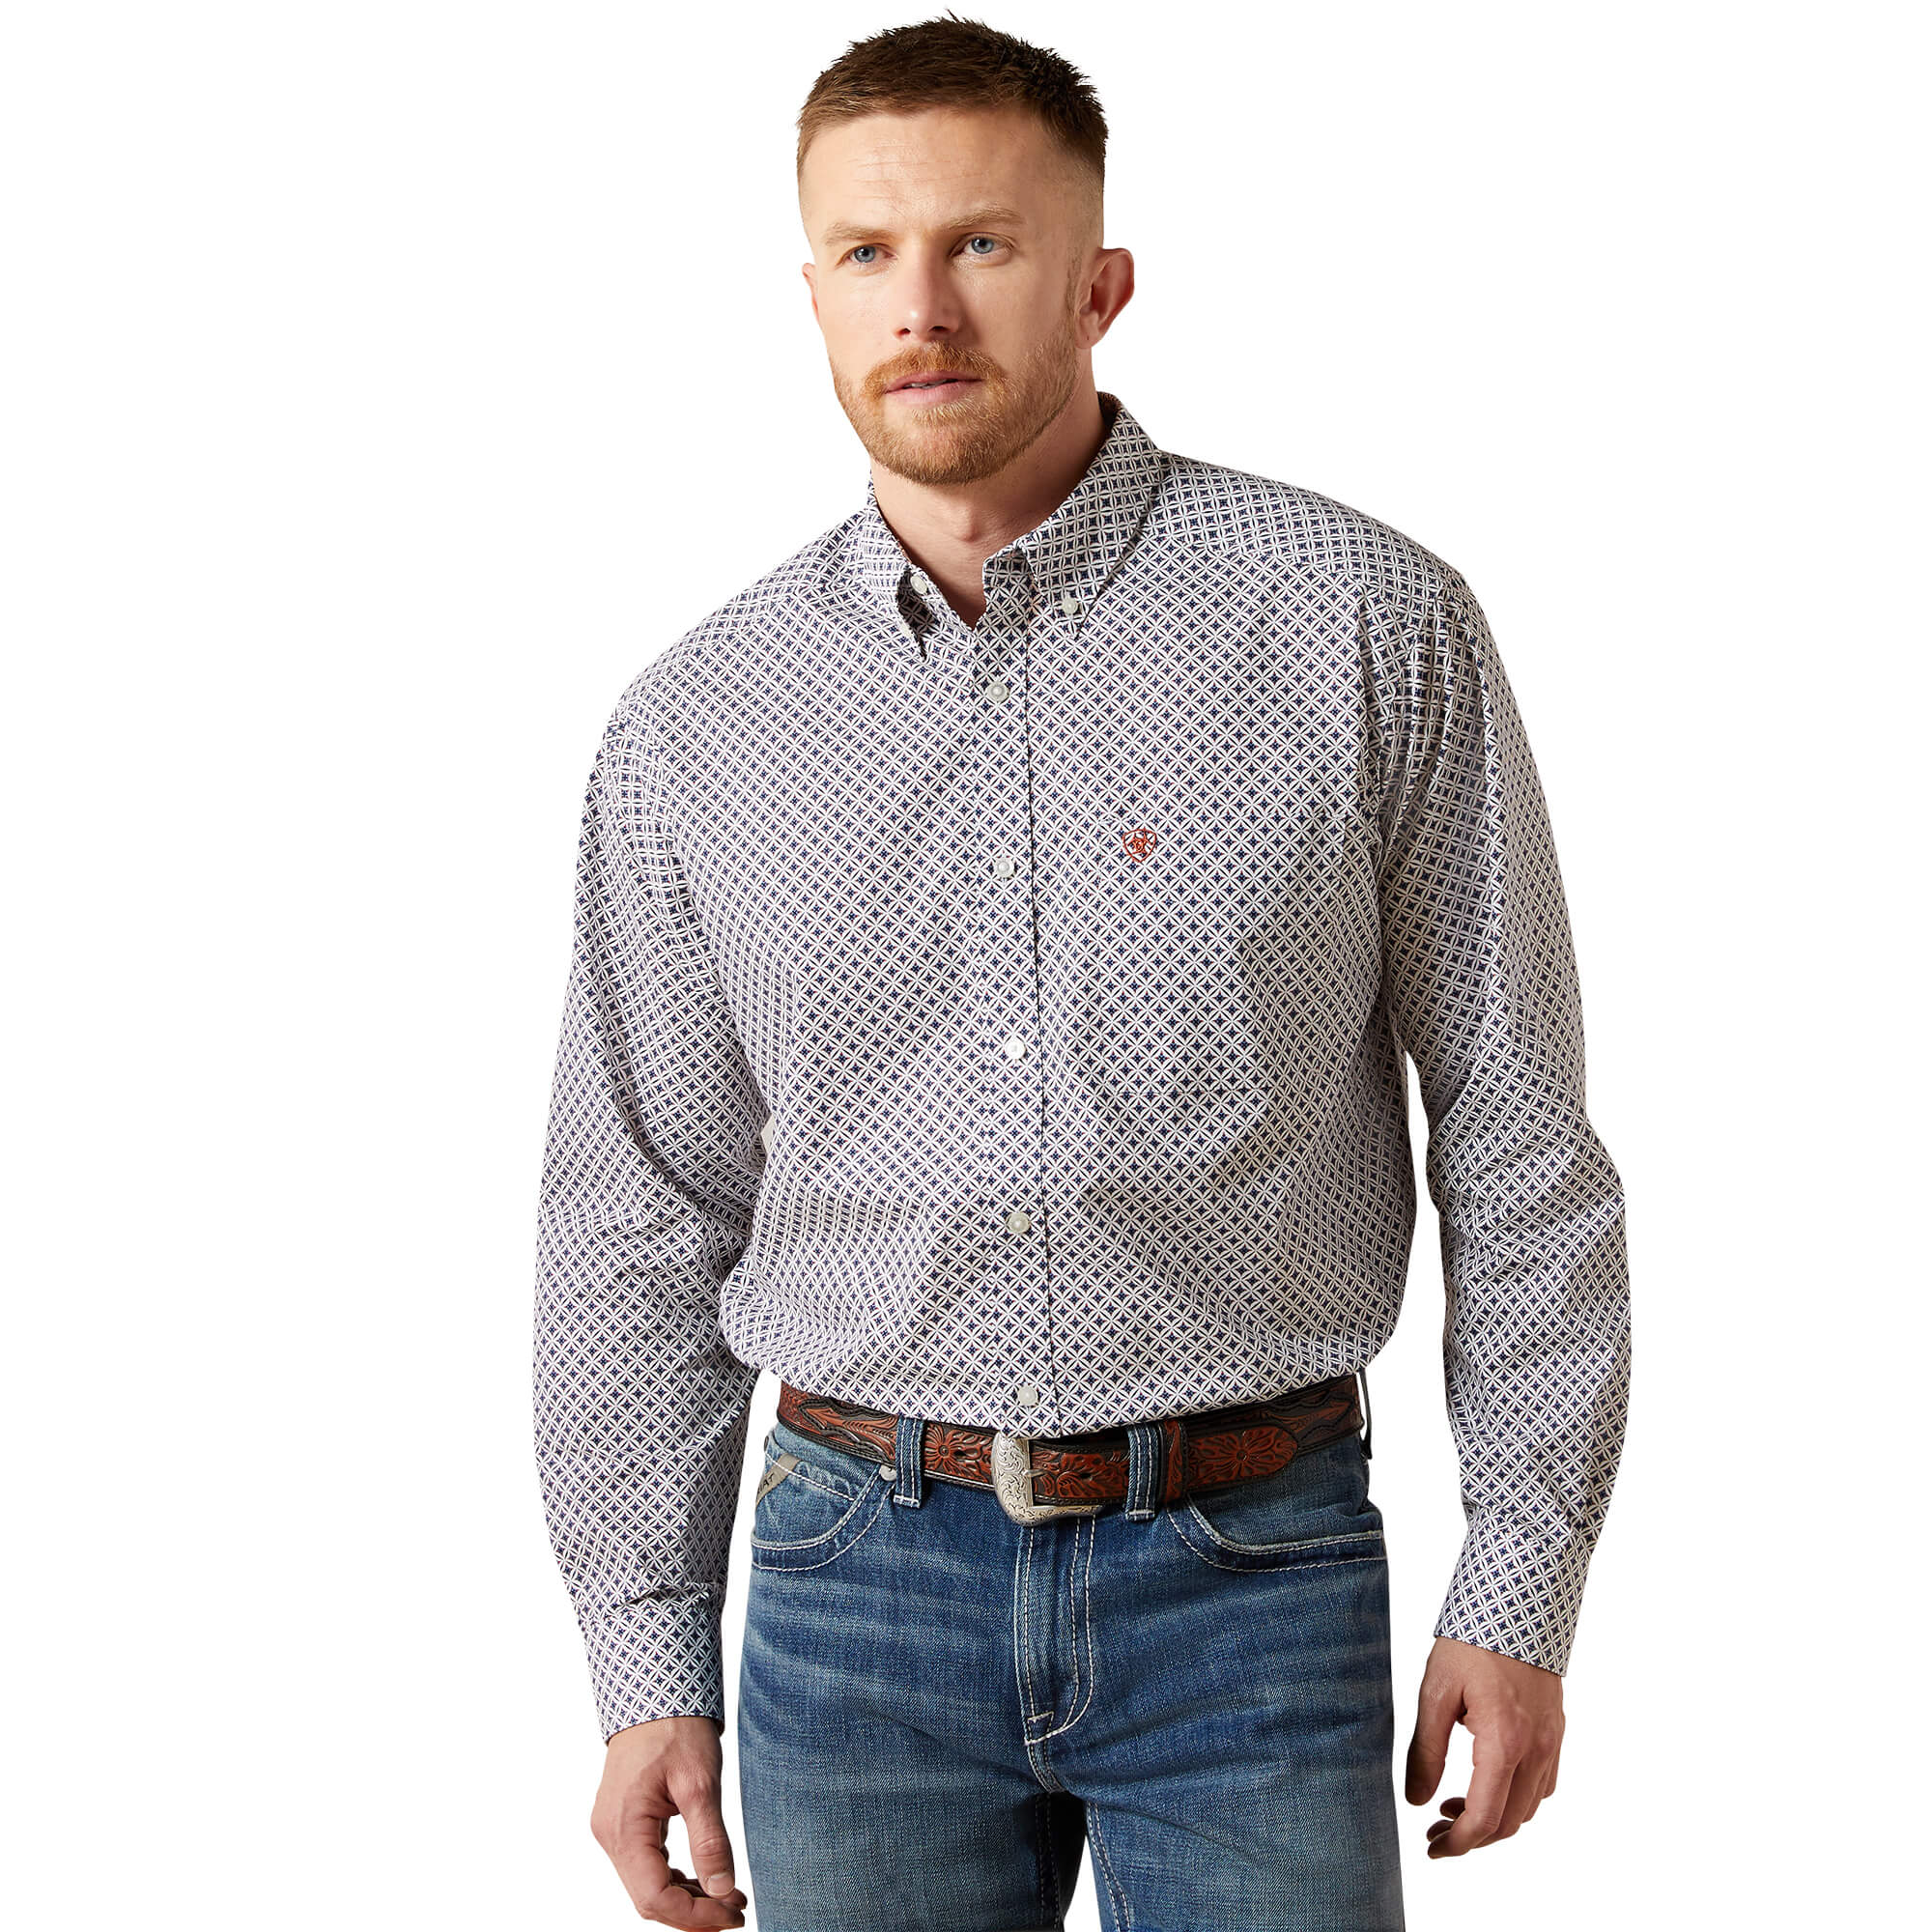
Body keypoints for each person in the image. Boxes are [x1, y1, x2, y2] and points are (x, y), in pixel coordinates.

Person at [533, 15, 1630, 1930]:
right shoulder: (695, 727)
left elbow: (1518, 1136)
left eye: (983, 243)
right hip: (851, 1594)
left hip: (1255, 1573)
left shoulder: (1366, 625)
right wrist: (644, 1661)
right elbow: (637, 1219)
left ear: (1100, 284)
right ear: (811, 296)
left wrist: (1520, 1580)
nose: (921, 306)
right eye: (867, 253)